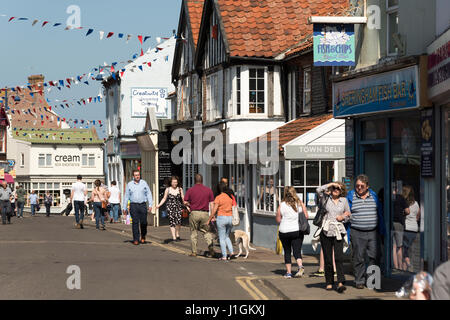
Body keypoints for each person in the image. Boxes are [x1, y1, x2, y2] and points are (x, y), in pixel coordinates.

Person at [347, 174, 385, 289]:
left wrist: (382, 230)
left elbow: (380, 213)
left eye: (362, 186)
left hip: (373, 232)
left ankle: (373, 281)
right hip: (356, 231)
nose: (359, 188)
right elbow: (346, 212)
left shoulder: (373, 196)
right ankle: (359, 281)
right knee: (358, 257)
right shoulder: (351, 196)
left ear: (367, 186)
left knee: (375, 256)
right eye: (357, 186)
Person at [316, 182, 351, 293]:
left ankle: (340, 282)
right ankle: (329, 282)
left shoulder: (344, 201)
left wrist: (343, 217)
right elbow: (318, 190)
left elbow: (348, 213)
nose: (336, 189)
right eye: (334, 188)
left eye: (338, 188)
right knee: (328, 259)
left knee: (339, 258)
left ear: (341, 191)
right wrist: (331, 184)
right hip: (326, 231)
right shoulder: (325, 198)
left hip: (338, 231)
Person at [275, 186, 308, 279]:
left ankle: (289, 273)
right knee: (297, 251)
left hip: (284, 231)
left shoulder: (282, 204)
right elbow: (306, 216)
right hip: (296, 231)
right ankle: (300, 266)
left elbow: (278, 219)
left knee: (287, 251)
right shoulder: (300, 203)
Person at [184, 174, 215, 257]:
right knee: (206, 232)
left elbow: (185, 201)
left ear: (194, 180)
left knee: (193, 232)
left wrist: (189, 206)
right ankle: (211, 250)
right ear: (202, 180)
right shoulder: (208, 190)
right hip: (205, 213)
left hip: (194, 213)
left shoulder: (190, 190)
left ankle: (194, 252)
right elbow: (212, 204)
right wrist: (212, 215)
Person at [122, 170, 153, 245]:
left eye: (138, 175)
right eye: (135, 175)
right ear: (133, 176)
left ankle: (143, 236)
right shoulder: (129, 184)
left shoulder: (144, 183)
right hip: (133, 205)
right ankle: (136, 239)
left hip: (142, 205)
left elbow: (149, 193)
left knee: (144, 222)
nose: (137, 176)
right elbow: (126, 196)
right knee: (135, 222)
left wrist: (150, 205)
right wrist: (124, 207)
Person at [207, 182, 235, 261]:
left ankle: (224, 256)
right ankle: (232, 252)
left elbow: (214, 210)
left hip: (221, 218)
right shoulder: (230, 197)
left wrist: (209, 219)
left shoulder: (218, 197)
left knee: (222, 238)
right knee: (226, 236)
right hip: (229, 218)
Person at [156, 176, 184, 242]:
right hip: (170, 207)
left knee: (178, 222)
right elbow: (164, 198)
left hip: (178, 206)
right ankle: (174, 237)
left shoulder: (180, 189)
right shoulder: (168, 189)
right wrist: (159, 205)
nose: (175, 183)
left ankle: (177, 234)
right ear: (171, 182)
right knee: (172, 222)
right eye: (173, 182)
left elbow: (183, 198)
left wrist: (187, 206)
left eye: (176, 182)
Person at [402, 185, 420, 272]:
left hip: (407, 228)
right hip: (414, 228)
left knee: (404, 250)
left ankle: (407, 265)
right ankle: (408, 268)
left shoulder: (404, 204)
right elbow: (418, 216)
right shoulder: (416, 203)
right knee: (409, 249)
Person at [392, 187, 410, 270]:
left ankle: (395, 266)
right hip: (399, 223)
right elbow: (407, 211)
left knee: (394, 247)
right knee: (399, 247)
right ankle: (399, 267)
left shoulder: (388, 198)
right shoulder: (400, 198)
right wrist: (402, 213)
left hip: (390, 223)